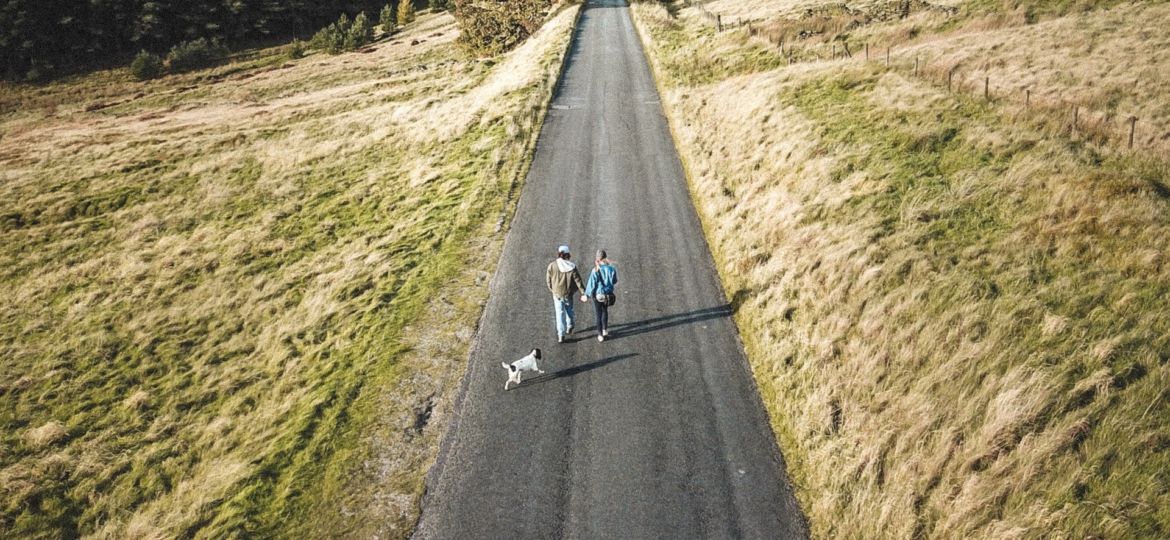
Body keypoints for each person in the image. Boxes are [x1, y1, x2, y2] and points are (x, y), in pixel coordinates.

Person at [546, 244, 585, 343]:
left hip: (556, 295)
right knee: (569, 310)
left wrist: (553, 290)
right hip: (568, 294)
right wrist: (583, 293)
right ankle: (570, 326)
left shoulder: (552, 266)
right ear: (567, 255)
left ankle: (561, 335)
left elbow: (548, 280)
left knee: (559, 314)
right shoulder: (571, 267)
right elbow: (578, 281)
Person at [582, 249, 618, 342]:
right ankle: (605, 330)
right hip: (608, 294)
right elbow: (614, 281)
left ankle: (600, 335)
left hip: (598, 295)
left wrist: (586, 295)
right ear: (605, 257)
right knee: (605, 311)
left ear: (597, 259)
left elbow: (591, 284)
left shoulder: (595, 270)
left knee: (598, 314)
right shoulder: (612, 269)